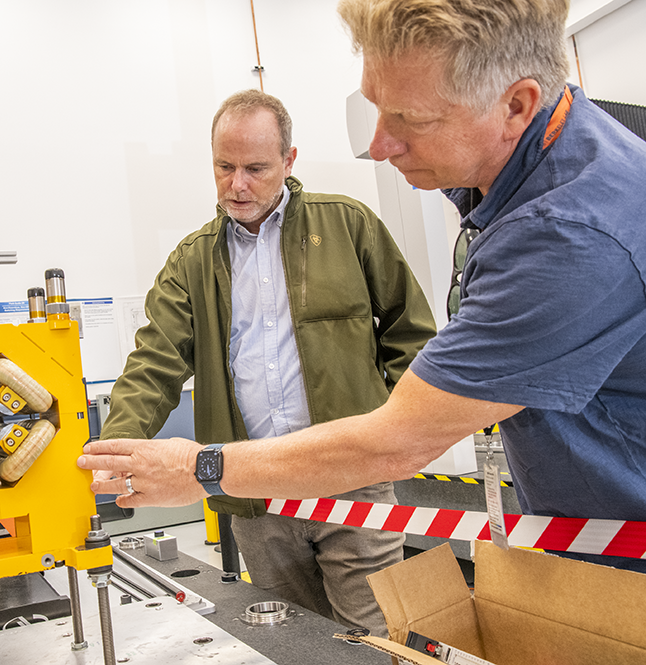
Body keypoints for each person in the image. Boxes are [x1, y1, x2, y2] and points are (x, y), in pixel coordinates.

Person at [80, 0, 646, 572]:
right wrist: (112, 453)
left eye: (410, 118)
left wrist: (200, 467)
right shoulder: (534, 170)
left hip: (614, 556)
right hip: (271, 491)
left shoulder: (565, 236)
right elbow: (154, 362)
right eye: (376, 109)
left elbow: (404, 421)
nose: (378, 145)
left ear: (514, 106)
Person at [96, 89, 437, 634]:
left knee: (373, 640)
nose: (237, 184)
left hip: (353, 477)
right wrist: (112, 448)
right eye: (224, 167)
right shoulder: (193, 259)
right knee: (294, 638)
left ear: (289, 160)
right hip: (254, 491)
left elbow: (410, 332)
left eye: (255, 168)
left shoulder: (348, 226)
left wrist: (398, 431)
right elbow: (154, 363)